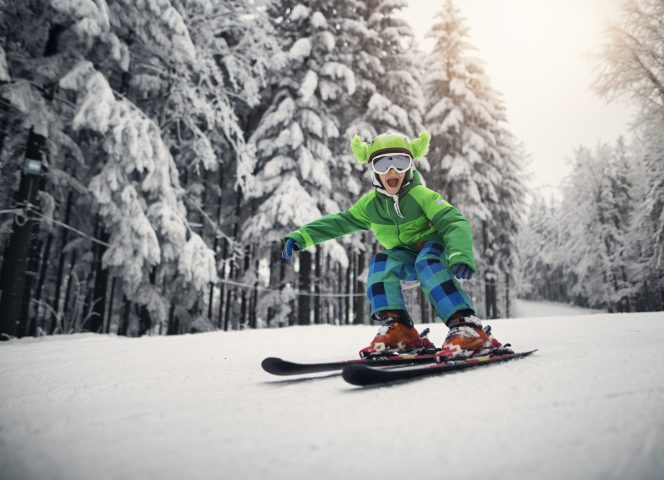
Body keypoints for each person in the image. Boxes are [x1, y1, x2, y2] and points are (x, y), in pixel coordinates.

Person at [281, 131, 507, 360]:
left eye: (400, 162)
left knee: (426, 262)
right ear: (373, 170)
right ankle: (399, 327)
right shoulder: (371, 205)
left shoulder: (421, 195)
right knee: (381, 263)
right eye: (382, 164)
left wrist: (459, 253)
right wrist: (303, 236)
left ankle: (466, 326)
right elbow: (341, 222)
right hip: (405, 254)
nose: (392, 171)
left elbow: (454, 221)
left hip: (436, 247)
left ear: (409, 167)